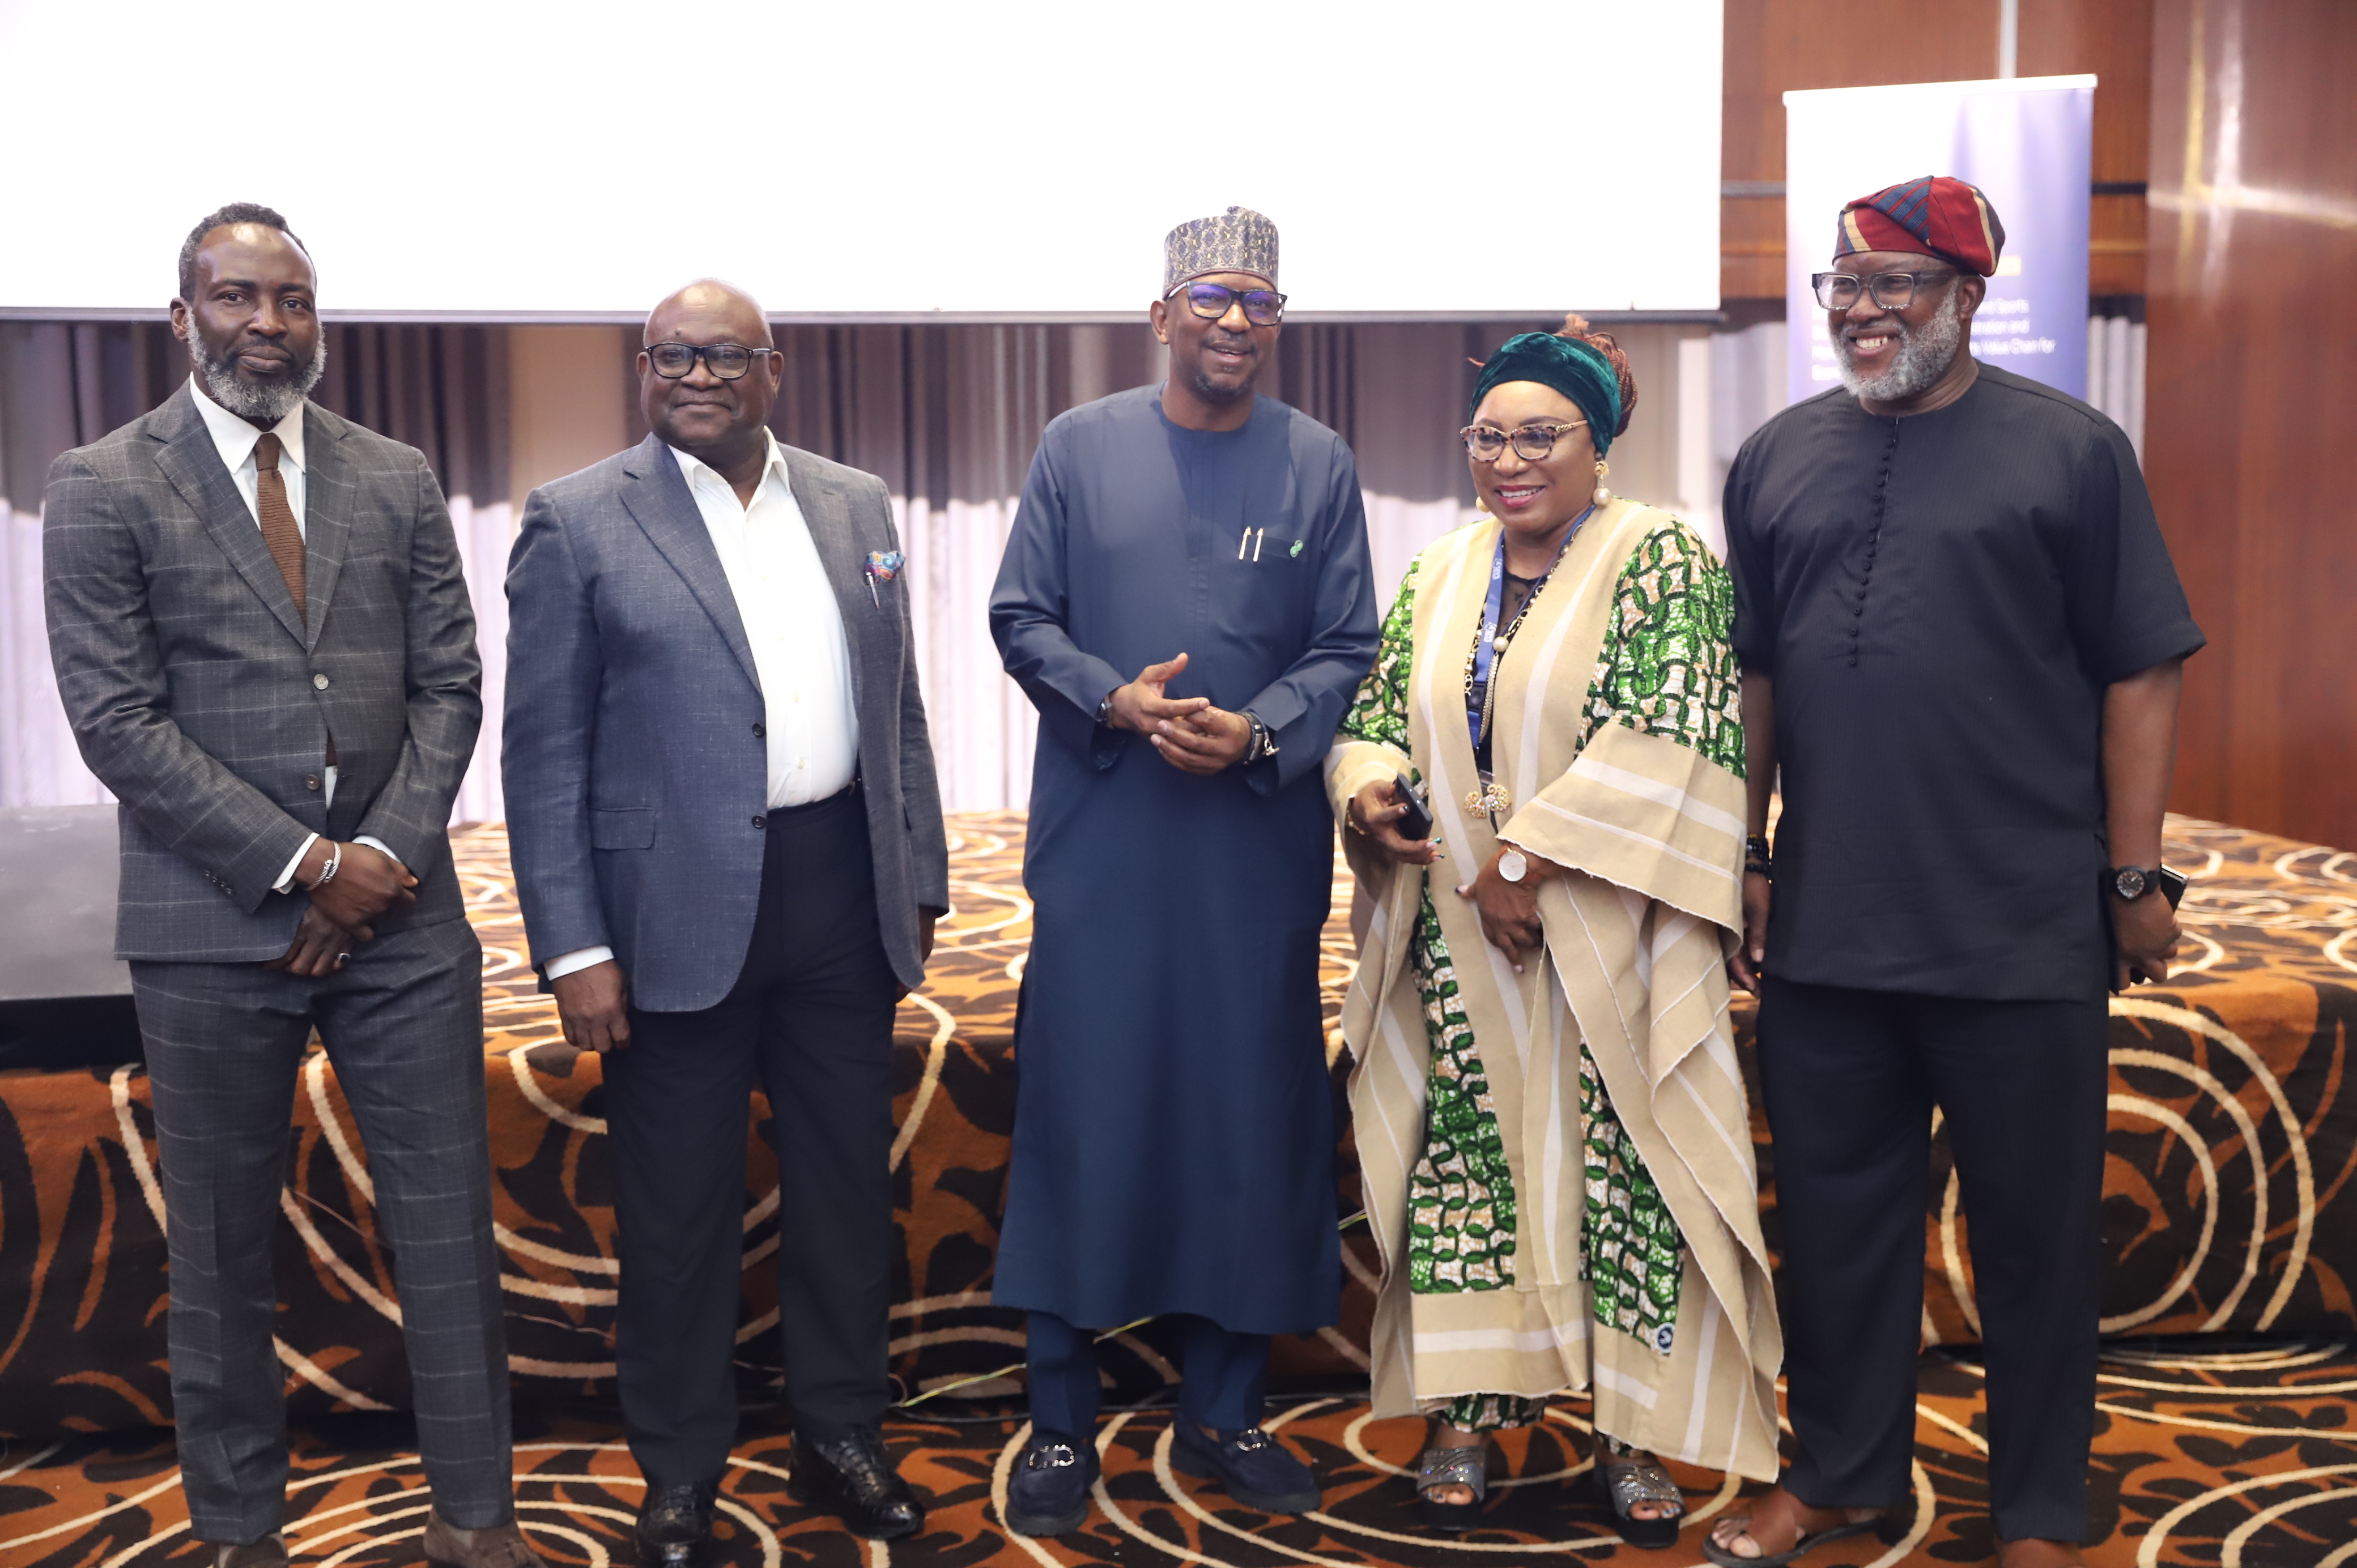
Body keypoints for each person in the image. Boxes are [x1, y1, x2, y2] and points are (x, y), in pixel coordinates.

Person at [1705, 178, 2204, 1568]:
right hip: (1828, 926)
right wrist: (1747, 850)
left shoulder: (2072, 452)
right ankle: (1841, 1474)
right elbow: (1753, 673)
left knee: (2034, 1240)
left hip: (2018, 924)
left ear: (1968, 296)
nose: (1862, 311)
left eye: (1896, 285)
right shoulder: (1775, 455)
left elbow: (2141, 666)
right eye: (1843, 286)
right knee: (1836, 1227)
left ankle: (2037, 1510)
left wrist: (2133, 877)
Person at [41, 204, 534, 1568]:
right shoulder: (103, 481)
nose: (268, 323)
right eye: (237, 297)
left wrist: (379, 859)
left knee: (448, 1238)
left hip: (404, 918)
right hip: (210, 926)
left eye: (293, 300)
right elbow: (115, 720)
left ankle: (477, 1522)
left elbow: (451, 685)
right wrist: (309, 866)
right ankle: (241, 1534)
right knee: (218, 1253)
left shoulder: (396, 473)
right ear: (183, 315)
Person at [501, 280, 948, 1556]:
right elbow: (543, 753)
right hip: (669, 918)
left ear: (774, 369)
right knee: (679, 1216)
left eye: (725, 356)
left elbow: (897, 706)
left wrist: (917, 878)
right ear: (645, 369)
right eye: (672, 356)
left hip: (839, 895)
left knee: (844, 1197)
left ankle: (840, 1433)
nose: (697, 375)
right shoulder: (578, 518)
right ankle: (681, 1468)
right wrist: (574, 944)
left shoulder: (854, 503)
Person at [1328, 321, 1782, 1542]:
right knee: (1468, 1168)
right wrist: (1367, 791)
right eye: (1488, 436)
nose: (1509, 460)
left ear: (1598, 444)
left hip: (1603, 933)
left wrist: (1524, 863)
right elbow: (1375, 715)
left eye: (1539, 436)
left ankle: (1632, 1432)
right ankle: (1466, 1413)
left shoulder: (1660, 558)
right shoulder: (1442, 567)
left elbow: (1672, 732)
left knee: (1626, 1172)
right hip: (1458, 942)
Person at [986, 206, 1379, 1536]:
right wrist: (1113, 698)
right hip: (1105, 837)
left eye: (1259, 302)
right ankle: (1059, 1418)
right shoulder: (1076, 445)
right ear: (1161, 315)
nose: (1233, 321)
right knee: (1085, 1103)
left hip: (1250, 848)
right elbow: (1020, 615)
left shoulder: (1317, 460)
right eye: (1209, 298)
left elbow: (1345, 644)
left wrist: (1259, 730)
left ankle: (1223, 1407)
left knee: (1244, 1115)